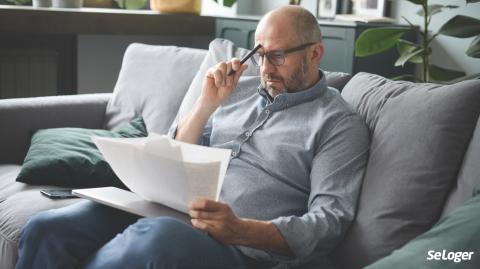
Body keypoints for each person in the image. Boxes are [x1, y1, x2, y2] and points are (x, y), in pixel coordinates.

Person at [15, 5, 370, 269]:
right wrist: (205, 105)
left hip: (236, 248)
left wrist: (241, 230)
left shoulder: (338, 125)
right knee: (48, 228)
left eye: (277, 56)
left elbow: (329, 222)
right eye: (260, 55)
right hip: (169, 212)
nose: (265, 69)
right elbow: (177, 153)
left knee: (154, 240)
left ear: (315, 53)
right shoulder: (237, 89)